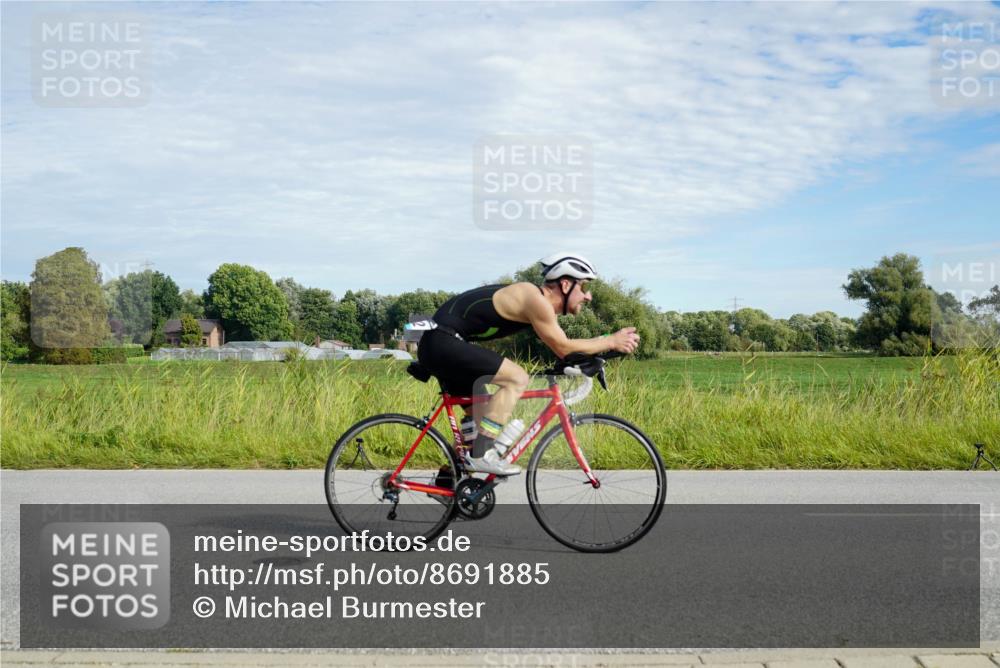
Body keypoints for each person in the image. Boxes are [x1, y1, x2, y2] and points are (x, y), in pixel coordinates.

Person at [416, 252, 640, 475]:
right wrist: (610, 340)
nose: (588, 296)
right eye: (582, 287)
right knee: (517, 378)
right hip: (442, 342)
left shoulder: (537, 303)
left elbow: (563, 349)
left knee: (483, 419)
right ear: (565, 284)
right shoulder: (534, 299)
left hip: (443, 344)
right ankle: (481, 455)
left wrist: (589, 358)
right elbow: (563, 346)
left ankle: (449, 482)